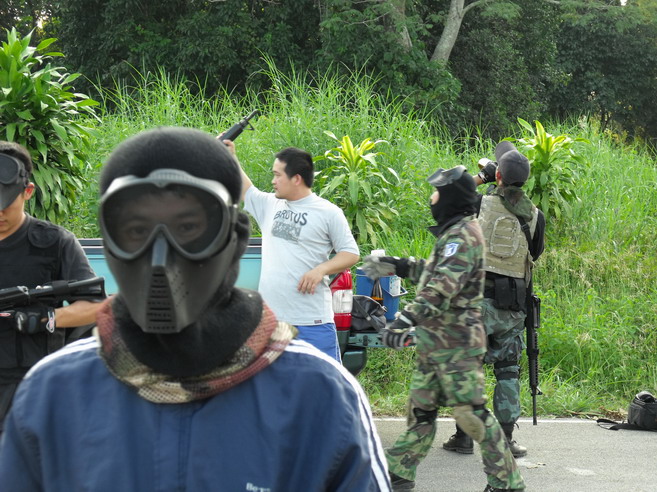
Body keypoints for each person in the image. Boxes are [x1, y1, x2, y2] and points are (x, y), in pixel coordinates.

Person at [0, 127, 391, 491]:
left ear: (234, 241)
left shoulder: (320, 395)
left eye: (189, 228)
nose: (160, 257)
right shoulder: (52, 393)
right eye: (135, 230)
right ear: (109, 241)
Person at [362, 166, 525, 492]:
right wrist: (401, 265)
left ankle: (506, 482)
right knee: (421, 412)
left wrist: (405, 320)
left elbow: (441, 288)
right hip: (438, 343)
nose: (432, 198)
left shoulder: (463, 236)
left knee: (471, 415)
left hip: (457, 345)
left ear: (450, 197)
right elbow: (437, 271)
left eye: (437, 192)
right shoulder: (455, 233)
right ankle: (398, 471)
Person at [442, 142, 545, 458]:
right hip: (511, 307)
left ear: (498, 175)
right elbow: (535, 253)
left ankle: (464, 437)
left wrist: (480, 177)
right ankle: (506, 439)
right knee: (508, 371)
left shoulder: (477, 204)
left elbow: (444, 197)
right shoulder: (535, 216)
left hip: (474, 302)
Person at [222, 140, 360, 362]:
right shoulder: (270, 205)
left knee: (321, 382)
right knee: (274, 382)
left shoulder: (328, 212)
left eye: (278, 175)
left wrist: (320, 270)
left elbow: (350, 253)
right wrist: (231, 156)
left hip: (313, 323)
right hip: (274, 324)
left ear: (296, 179)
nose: (273, 181)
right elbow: (246, 188)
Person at [0, 141, 102, 434]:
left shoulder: (54, 242)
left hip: (32, 387)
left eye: (6, 203)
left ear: (28, 192)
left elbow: (95, 307)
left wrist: (47, 318)